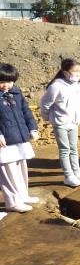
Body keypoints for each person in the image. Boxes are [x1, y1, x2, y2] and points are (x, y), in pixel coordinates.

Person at [40, 58, 80, 187]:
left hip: (73, 122)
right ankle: (68, 176)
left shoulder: (77, 85)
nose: (77, 73)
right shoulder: (56, 86)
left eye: (79, 71)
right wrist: (48, 118)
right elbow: (45, 104)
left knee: (74, 148)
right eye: (74, 71)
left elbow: (77, 103)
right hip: (60, 123)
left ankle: (77, 173)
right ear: (65, 72)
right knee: (65, 150)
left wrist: (79, 115)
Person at [0, 63, 40, 212]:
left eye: (9, 81)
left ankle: (23, 196)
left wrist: (33, 128)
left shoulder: (16, 94)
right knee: (8, 173)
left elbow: (27, 112)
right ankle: (12, 201)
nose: (6, 85)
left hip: (20, 137)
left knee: (21, 168)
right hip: (4, 142)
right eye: (2, 81)